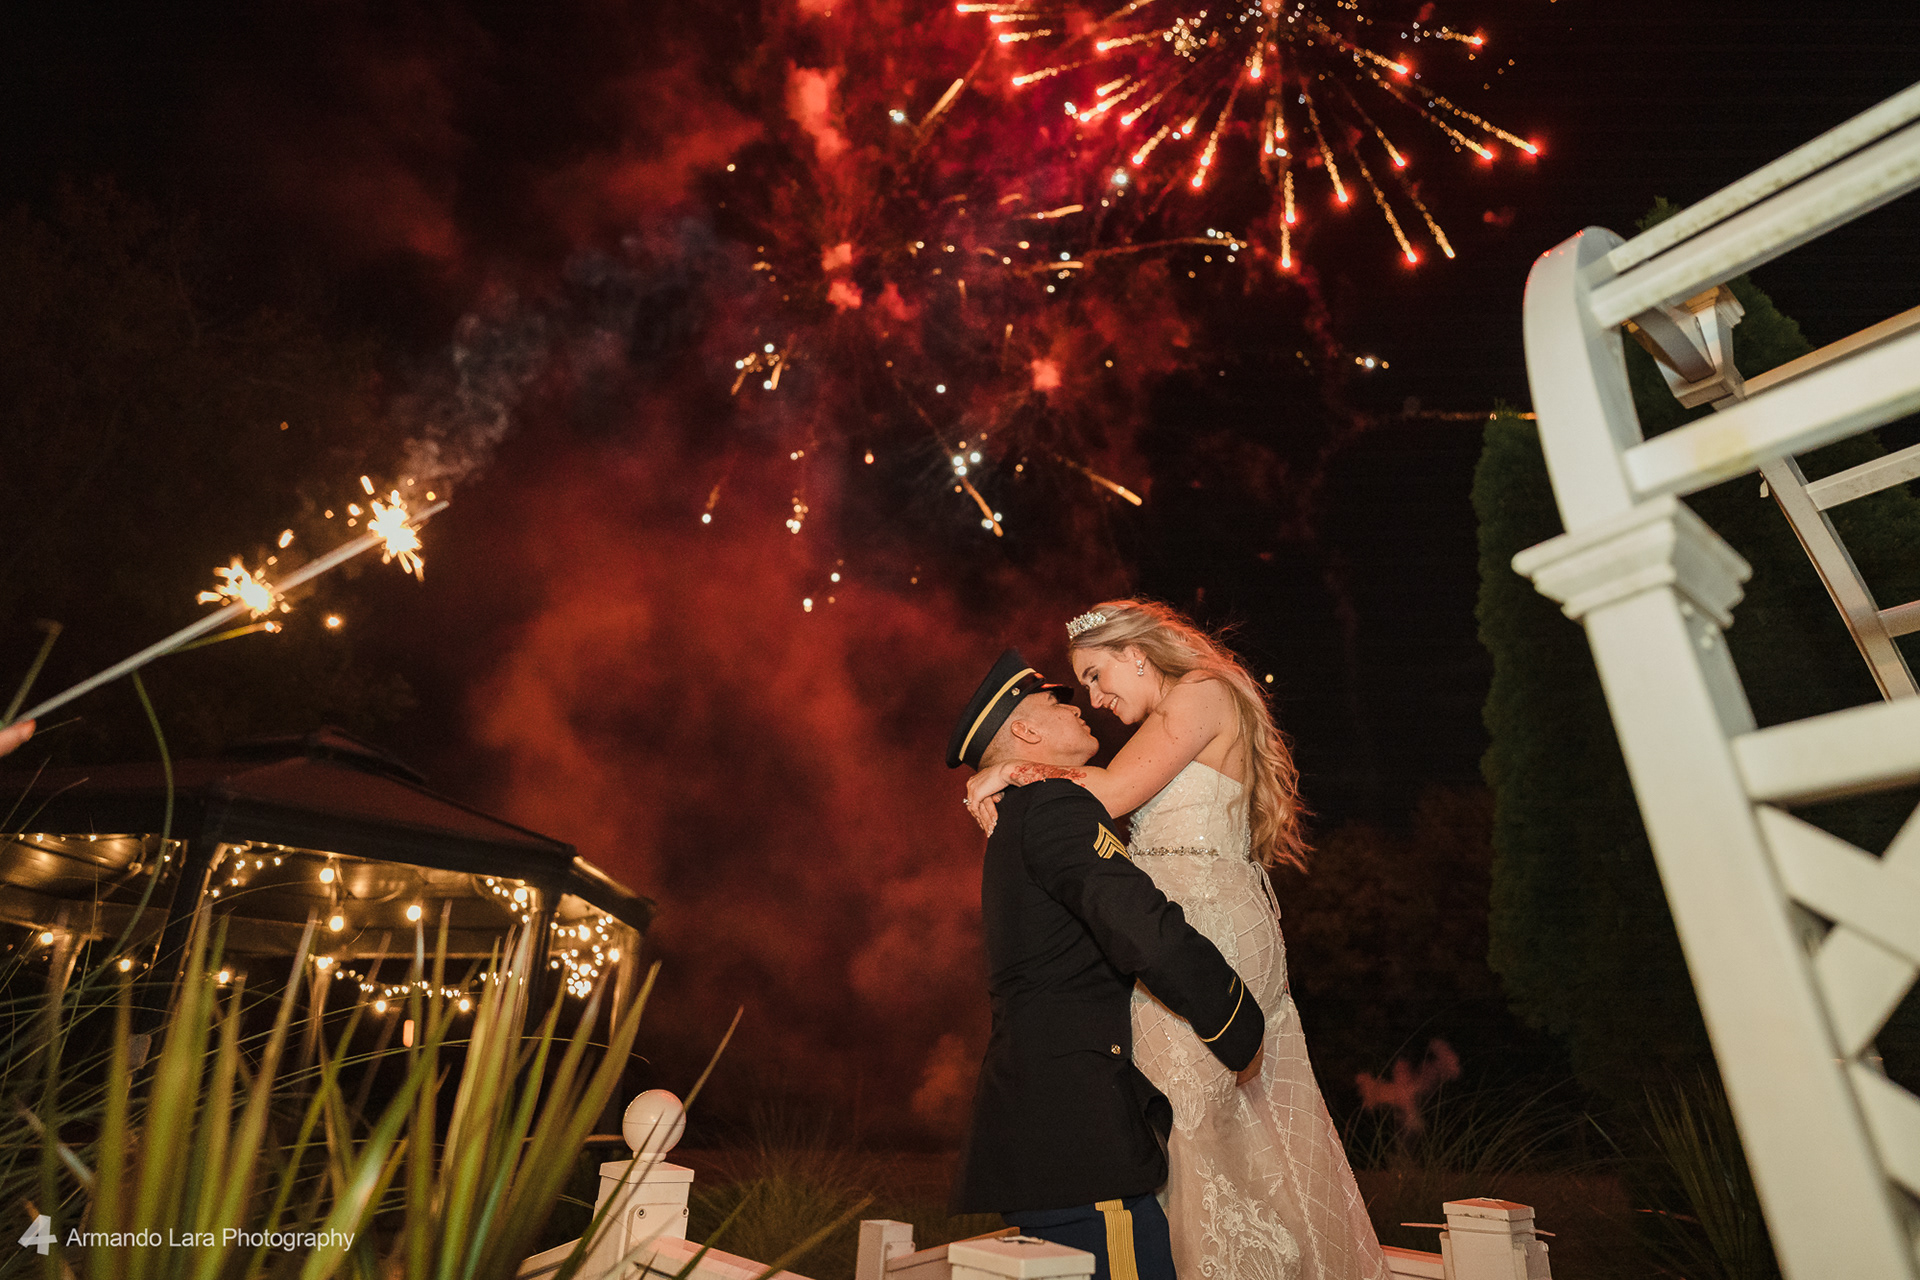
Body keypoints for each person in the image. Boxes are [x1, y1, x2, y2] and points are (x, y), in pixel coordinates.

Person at [965, 602, 1389, 1280]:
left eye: (1096, 676)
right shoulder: (1175, 715)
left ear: (1137, 655)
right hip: (1184, 923)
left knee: (1187, 1125)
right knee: (1202, 1132)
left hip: (1204, 923)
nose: (1095, 699)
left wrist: (1013, 770)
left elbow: (1109, 794)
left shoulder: (1201, 692)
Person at [946, 647, 1266, 1280]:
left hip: (1051, 1137)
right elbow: (1139, 924)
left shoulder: (1025, 812)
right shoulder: (1054, 807)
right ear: (1025, 731)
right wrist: (1235, 1021)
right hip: (1079, 1140)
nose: (1080, 706)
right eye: (1057, 700)